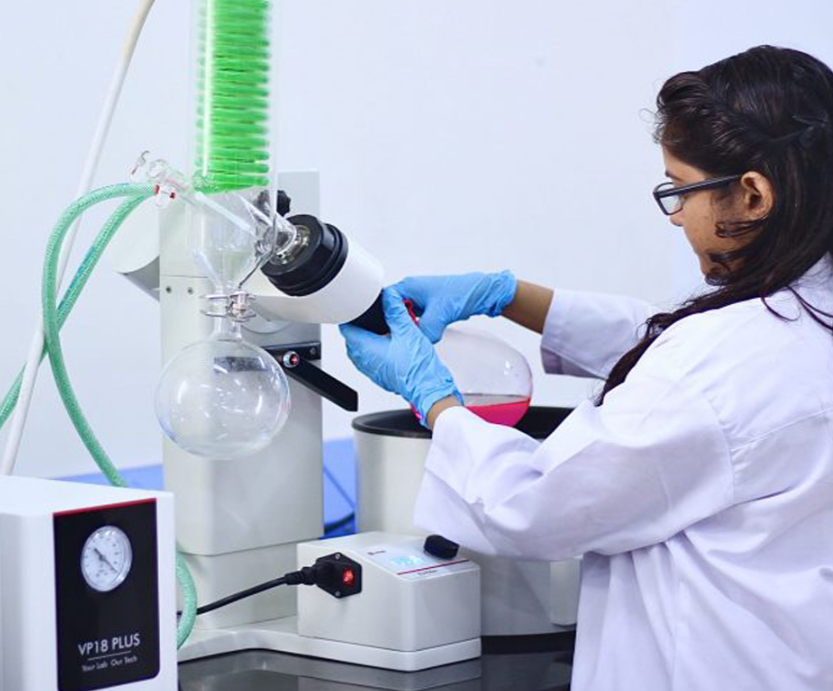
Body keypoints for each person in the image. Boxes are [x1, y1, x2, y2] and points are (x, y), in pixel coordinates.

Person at [339, 45, 833, 691]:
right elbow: (671, 350)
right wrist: (508, 295)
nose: (676, 215)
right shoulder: (800, 319)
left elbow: (531, 507)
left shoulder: (717, 365)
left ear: (753, 195)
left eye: (679, 190)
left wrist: (433, 398)